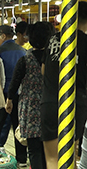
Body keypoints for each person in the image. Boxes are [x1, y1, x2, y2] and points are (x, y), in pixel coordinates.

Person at [41, 2, 87, 168]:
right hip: (76, 103)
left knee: (53, 159)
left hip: (49, 102)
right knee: (70, 158)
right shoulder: (85, 41)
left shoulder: (53, 39)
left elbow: (43, 71)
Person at [6, 22, 52, 169]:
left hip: (29, 107)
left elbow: (15, 82)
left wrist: (9, 100)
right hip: (49, 106)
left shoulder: (25, 59)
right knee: (49, 149)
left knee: (33, 149)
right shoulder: (54, 60)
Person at [0, 25, 27, 167]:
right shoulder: (23, 51)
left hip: (4, 92)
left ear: (2, 36)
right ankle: (21, 159)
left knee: (1, 124)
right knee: (19, 126)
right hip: (21, 93)